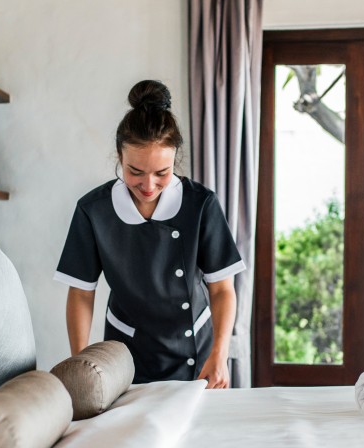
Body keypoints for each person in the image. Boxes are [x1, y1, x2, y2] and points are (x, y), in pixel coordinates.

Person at [54, 80, 245, 389]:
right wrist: (80, 364)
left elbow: (222, 289)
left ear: (175, 160)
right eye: (135, 172)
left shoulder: (201, 205)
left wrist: (220, 354)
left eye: (162, 174)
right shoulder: (94, 211)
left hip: (198, 354)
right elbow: (81, 292)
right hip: (124, 355)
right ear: (119, 156)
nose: (148, 186)